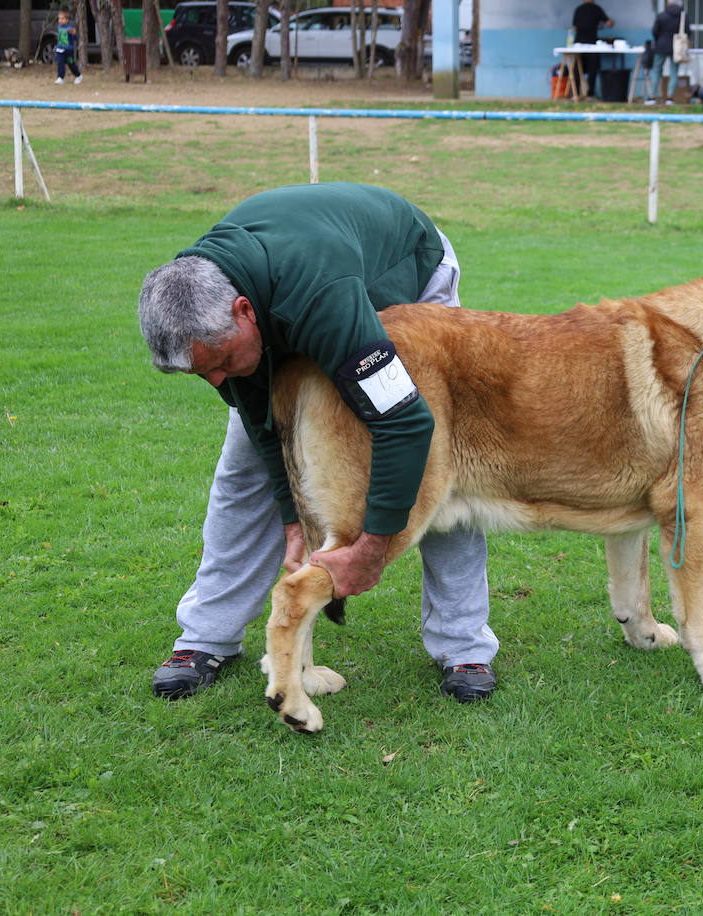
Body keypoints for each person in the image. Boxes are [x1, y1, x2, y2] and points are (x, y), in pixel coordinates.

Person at [137, 183, 498, 704]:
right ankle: (205, 637)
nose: (218, 382)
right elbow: (265, 429)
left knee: (439, 468)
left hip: (405, 274)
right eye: (202, 373)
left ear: (244, 312)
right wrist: (292, 518)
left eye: (220, 364)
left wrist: (371, 550)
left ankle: (463, 645)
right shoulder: (208, 313)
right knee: (241, 468)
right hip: (295, 296)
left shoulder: (319, 296)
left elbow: (405, 423)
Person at [571, 0, 613, 99]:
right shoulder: (597, 9)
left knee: (577, 68)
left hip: (579, 43)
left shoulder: (578, 9)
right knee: (592, 69)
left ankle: (576, 93)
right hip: (591, 42)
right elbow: (609, 23)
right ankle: (590, 94)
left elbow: (575, 27)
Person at [645, 1, 683, 105]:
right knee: (674, 72)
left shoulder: (662, 15)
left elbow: (654, 31)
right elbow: (687, 31)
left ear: (667, 4)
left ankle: (652, 96)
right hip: (677, 47)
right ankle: (670, 98)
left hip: (661, 45)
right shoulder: (682, 15)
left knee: (656, 70)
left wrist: (659, 39)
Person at [54, 10, 83, 85]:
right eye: (59, 18)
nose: (60, 20)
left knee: (71, 63)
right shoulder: (59, 27)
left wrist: (74, 34)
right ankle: (60, 77)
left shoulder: (70, 28)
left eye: (62, 19)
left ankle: (78, 75)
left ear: (67, 20)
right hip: (60, 49)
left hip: (68, 50)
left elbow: (75, 38)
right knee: (60, 63)